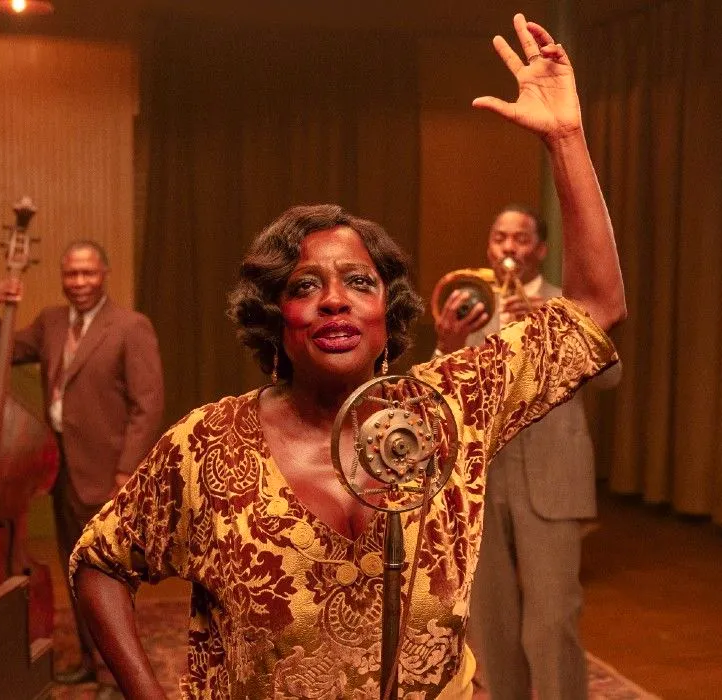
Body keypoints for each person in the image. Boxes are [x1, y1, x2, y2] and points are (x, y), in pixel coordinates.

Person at [69, 14, 626, 698]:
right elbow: (99, 561)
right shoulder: (207, 447)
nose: (335, 300)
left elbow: (595, 309)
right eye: (306, 286)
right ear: (275, 321)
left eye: (359, 283)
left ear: (387, 319)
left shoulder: (450, 411)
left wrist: (566, 140)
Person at [435, 204, 621, 700]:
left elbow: (613, 377)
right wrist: (447, 343)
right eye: (500, 238)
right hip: (483, 478)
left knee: (553, 620)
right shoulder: (466, 307)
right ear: (489, 246)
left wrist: (553, 327)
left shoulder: (567, 305)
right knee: (491, 622)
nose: (509, 249)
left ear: (540, 249)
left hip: (553, 477)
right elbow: (445, 390)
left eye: (520, 239)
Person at [0, 239, 164, 685]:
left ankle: (115, 674)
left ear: (104, 275)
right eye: (71, 274)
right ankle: (90, 660)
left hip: (107, 473)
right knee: (75, 570)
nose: (79, 283)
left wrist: (125, 470)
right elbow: (5, 352)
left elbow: (148, 405)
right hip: (58, 471)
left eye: (88, 274)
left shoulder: (130, 326)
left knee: (107, 575)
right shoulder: (50, 322)